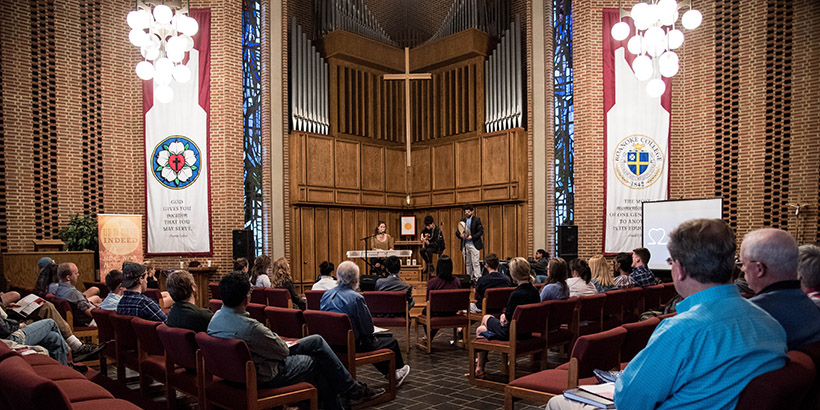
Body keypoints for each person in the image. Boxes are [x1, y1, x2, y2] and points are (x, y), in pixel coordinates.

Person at [546, 218, 789, 410]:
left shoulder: (681, 331)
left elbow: (630, 402)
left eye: (671, 261)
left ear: (680, 269)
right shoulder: (770, 323)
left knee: (557, 402)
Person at [208, 272, 385, 410]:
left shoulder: (216, 317)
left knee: (316, 342)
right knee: (316, 361)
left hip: (235, 373)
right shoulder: (250, 328)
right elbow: (282, 352)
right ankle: (346, 395)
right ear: (247, 298)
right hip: (265, 375)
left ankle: (342, 397)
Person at [320, 261, 411, 387]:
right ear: (356, 280)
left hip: (332, 344)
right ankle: (394, 374)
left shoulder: (326, 295)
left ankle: (391, 374)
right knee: (390, 342)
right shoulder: (356, 298)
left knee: (381, 339)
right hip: (353, 345)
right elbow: (367, 329)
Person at [742, 228, 820, 350]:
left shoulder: (749, 316)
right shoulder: (813, 307)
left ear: (759, 269)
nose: (742, 269)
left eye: (743, 263)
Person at [473, 257, 539, 378]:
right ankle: (491, 365)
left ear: (514, 274)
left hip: (512, 333)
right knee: (481, 329)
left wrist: (504, 316)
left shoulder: (516, 294)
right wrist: (505, 316)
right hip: (527, 332)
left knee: (485, 320)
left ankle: (479, 368)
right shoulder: (534, 291)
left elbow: (505, 322)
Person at [0, 310, 69, 366]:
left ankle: (63, 370)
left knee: (54, 337)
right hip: (9, 340)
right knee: (50, 322)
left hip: (8, 336)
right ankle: (68, 350)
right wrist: (18, 325)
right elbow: (4, 329)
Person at [423, 255, 462, 342]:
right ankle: (430, 335)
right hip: (452, 311)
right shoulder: (457, 281)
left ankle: (429, 335)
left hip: (437, 312)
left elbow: (427, 300)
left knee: (425, 312)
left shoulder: (432, 282)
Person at [455, 204, 484, 283]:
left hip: (474, 244)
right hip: (465, 244)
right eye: (465, 211)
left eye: (468, 211)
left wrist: (472, 237)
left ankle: (478, 279)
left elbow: (481, 231)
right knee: (467, 263)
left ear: (472, 212)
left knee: (475, 262)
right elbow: (457, 232)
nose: (467, 213)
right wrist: (460, 235)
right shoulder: (463, 221)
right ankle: (469, 279)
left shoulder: (477, 220)